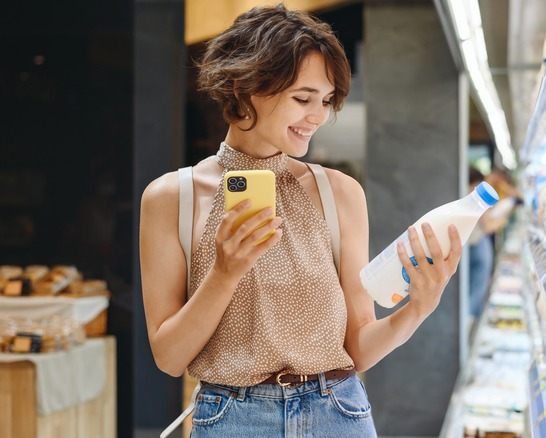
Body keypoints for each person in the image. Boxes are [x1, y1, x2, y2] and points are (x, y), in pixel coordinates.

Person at [139, 5, 462, 437]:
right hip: (233, 419)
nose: (319, 116)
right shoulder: (170, 198)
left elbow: (358, 348)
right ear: (246, 86)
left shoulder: (340, 194)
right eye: (302, 98)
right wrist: (224, 273)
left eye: (327, 100)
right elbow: (169, 357)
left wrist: (418, 309)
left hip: (338, 413)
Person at [467, 167, 512, 325]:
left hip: (469, 246)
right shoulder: (474, 198)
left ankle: (470, 320)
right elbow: (487, 227)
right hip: (478, 244)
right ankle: (471, 320)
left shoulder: (460, 196)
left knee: (472, 284)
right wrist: (502, 220)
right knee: (477, 286)